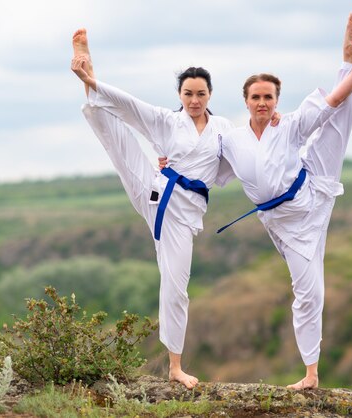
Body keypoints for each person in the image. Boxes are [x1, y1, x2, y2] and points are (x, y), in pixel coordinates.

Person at [70, 29, 277, 389]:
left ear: (210, 95)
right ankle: (88, 73)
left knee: (177, 286)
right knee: (117, 137)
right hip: (156, 190)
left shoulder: (223, 130)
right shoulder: (168, 120)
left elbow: (247, 152)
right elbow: (132, 106)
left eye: (200, 94)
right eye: (187, 93)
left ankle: (173, 365)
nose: (194, 100)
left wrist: (271, 122)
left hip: (185, 213)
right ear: (179, 95)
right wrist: (91, 79)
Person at [215, 13, 352, 390]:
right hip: (287, 222)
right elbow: (199, 161)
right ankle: (311, 371)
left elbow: (334, 98)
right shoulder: (231, 141)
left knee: (340, 114)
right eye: (256, 97)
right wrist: (165, 160)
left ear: (276, 99)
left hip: (313, 184)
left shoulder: (289, 125)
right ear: (246, 101)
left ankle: (345, 57)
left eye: (269, 97)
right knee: (309, 292)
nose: (263, 102)